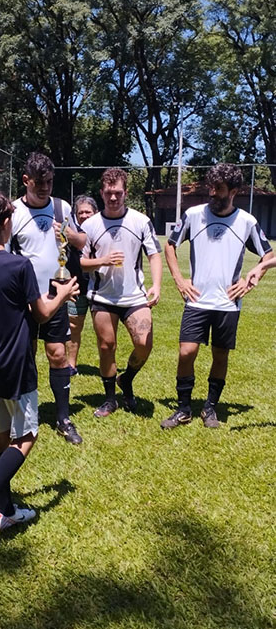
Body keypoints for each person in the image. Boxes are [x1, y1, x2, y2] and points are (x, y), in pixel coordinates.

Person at [0, 189, 79, 550]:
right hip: (16, 362)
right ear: (6, 223)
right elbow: (41, 314)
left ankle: (5, 510)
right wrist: (63, 294)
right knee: (26, 436)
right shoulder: (19, 265)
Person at [161, 163, 274, 430]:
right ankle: (183, 408)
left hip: (228, 303)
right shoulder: (193, 215)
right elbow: (170, 245)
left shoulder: (247, 222)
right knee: (186, 352)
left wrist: (251, 277)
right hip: (197, 300)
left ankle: (210, 407)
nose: (212, 192)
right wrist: (179, 280)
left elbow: (268, 255)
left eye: (219, 188)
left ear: (233, 191)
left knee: (220, 355)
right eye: (210, 187)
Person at [8, 153, 86, 445]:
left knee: (57, 354)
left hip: (56, 293)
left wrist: (67, 234)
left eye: (49, 182)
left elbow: (82, 241)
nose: (44, 188)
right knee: (25, 356)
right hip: (23, 298)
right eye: (38, 183)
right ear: (26, 180)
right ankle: (25, 415)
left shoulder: (61, 207)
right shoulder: (12, 211)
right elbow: (4, 254)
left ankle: (63, 418)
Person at [80, 168, 162, 417]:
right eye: (108, 193)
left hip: (134, 296)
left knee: (144, 344)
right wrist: (102, 260)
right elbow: (80, 263)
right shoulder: (90, 225)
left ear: (126, 192)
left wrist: (157, 284)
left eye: (117, 192)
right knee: (107, 346)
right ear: (101, 193)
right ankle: (110, 399)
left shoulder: (140, 221)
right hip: (102, 296)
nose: (113, 197)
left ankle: (126, 379)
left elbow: (154, 255)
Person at [66, 194, 98, 374]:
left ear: (96, 212)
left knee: (103, 328)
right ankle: (71, 365)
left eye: (88, 212)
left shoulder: (102, 231)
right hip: (77, 286)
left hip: (100, 287)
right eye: (81, 212)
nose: (84, 215)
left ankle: (107, 364)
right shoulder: (70, 233)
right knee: (74, 326)